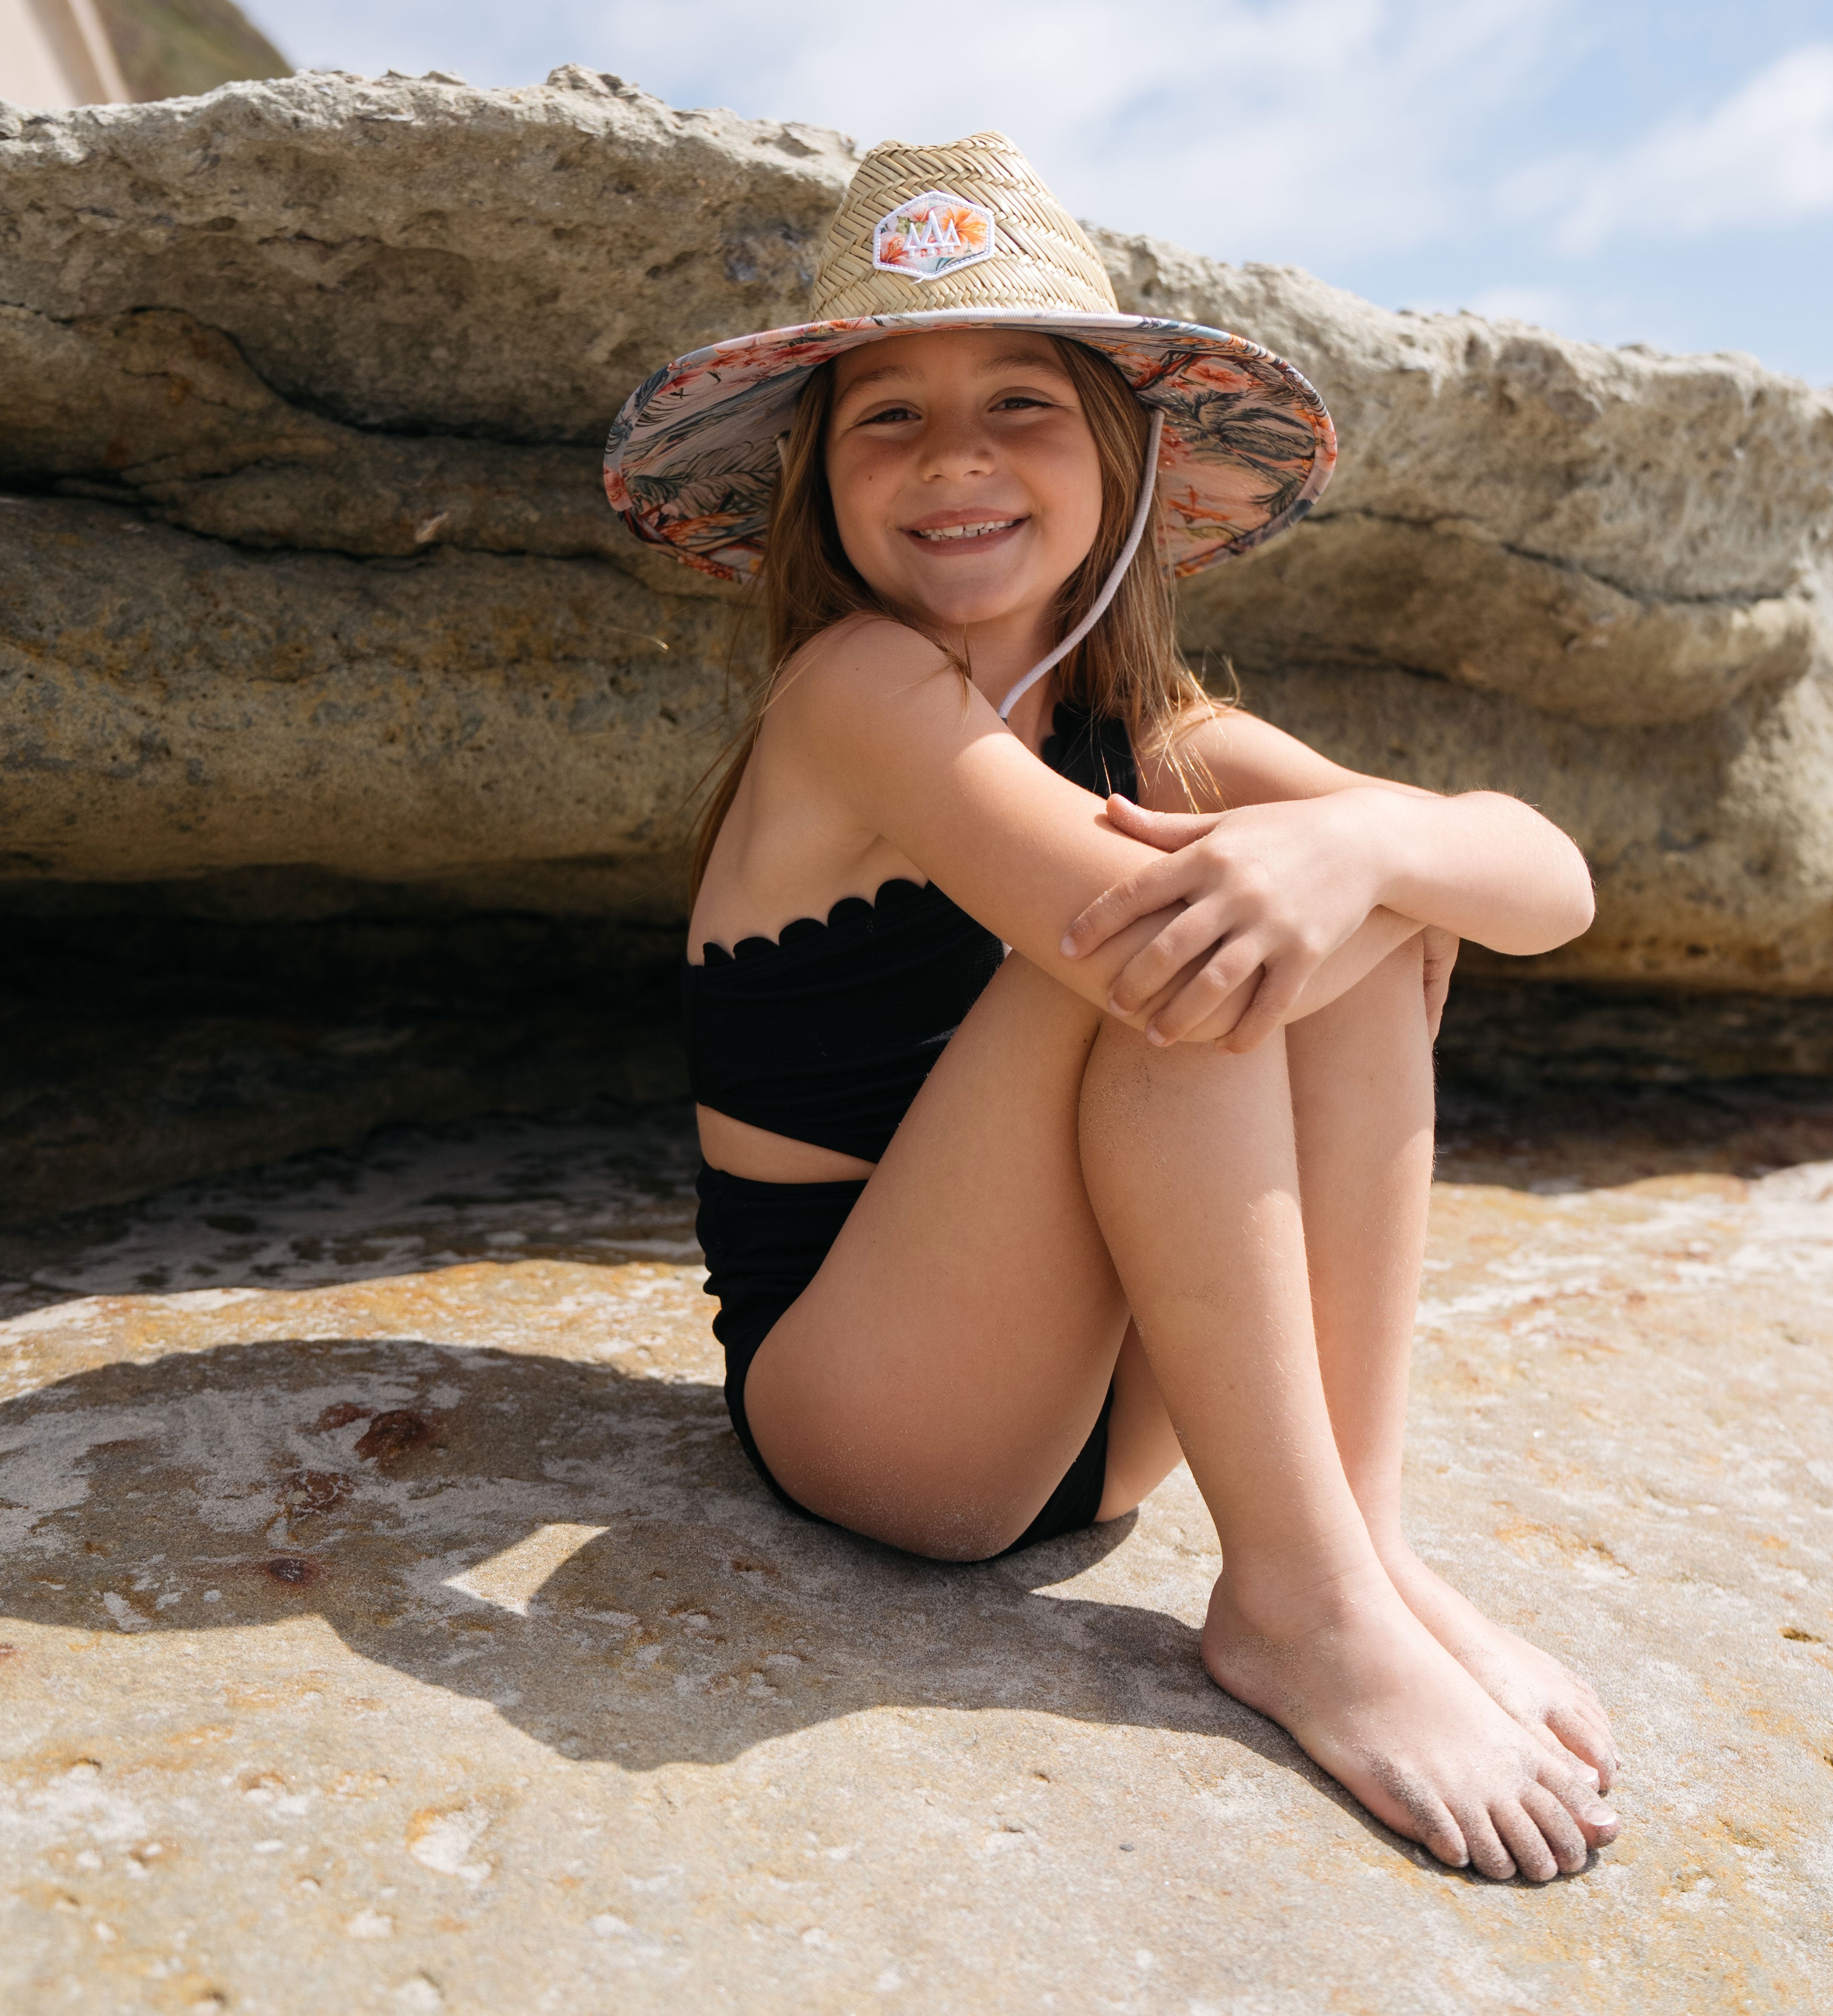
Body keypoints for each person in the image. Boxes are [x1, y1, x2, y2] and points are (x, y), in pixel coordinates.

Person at [604, 132, 1618, 1884]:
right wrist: (1333, 866)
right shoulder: (854, 691)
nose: (957, 461)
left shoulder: (1166, 736)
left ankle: (1343, 1551)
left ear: (1122, 460)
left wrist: (1365, 837)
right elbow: (1127, 928)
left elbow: (1547, 884)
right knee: (1200, 937)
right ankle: (1306, 1611)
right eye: (887, 419)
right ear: (820, 492)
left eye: (1022, 403)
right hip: (877, 1416)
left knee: (1339, 897)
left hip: (1120, 1423)